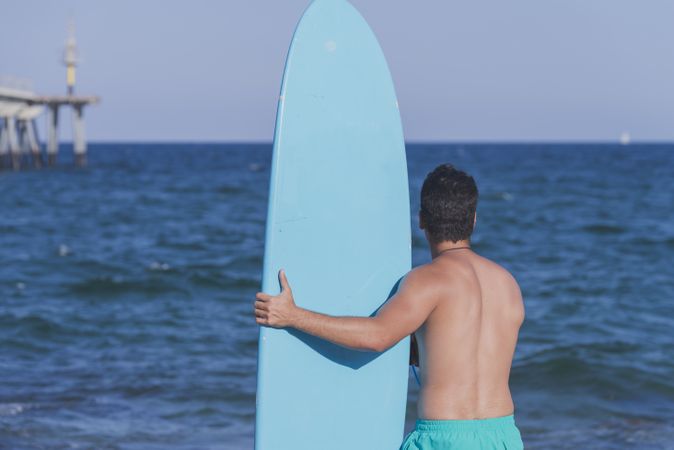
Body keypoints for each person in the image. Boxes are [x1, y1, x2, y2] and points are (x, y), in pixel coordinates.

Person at [254, 164, 525, 449]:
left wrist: (293, 316)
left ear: (422, 220)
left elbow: (376, 336)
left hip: (444, 438)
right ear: (473, 220)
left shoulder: (427, 281)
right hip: (503, 436)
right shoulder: (508, 284)